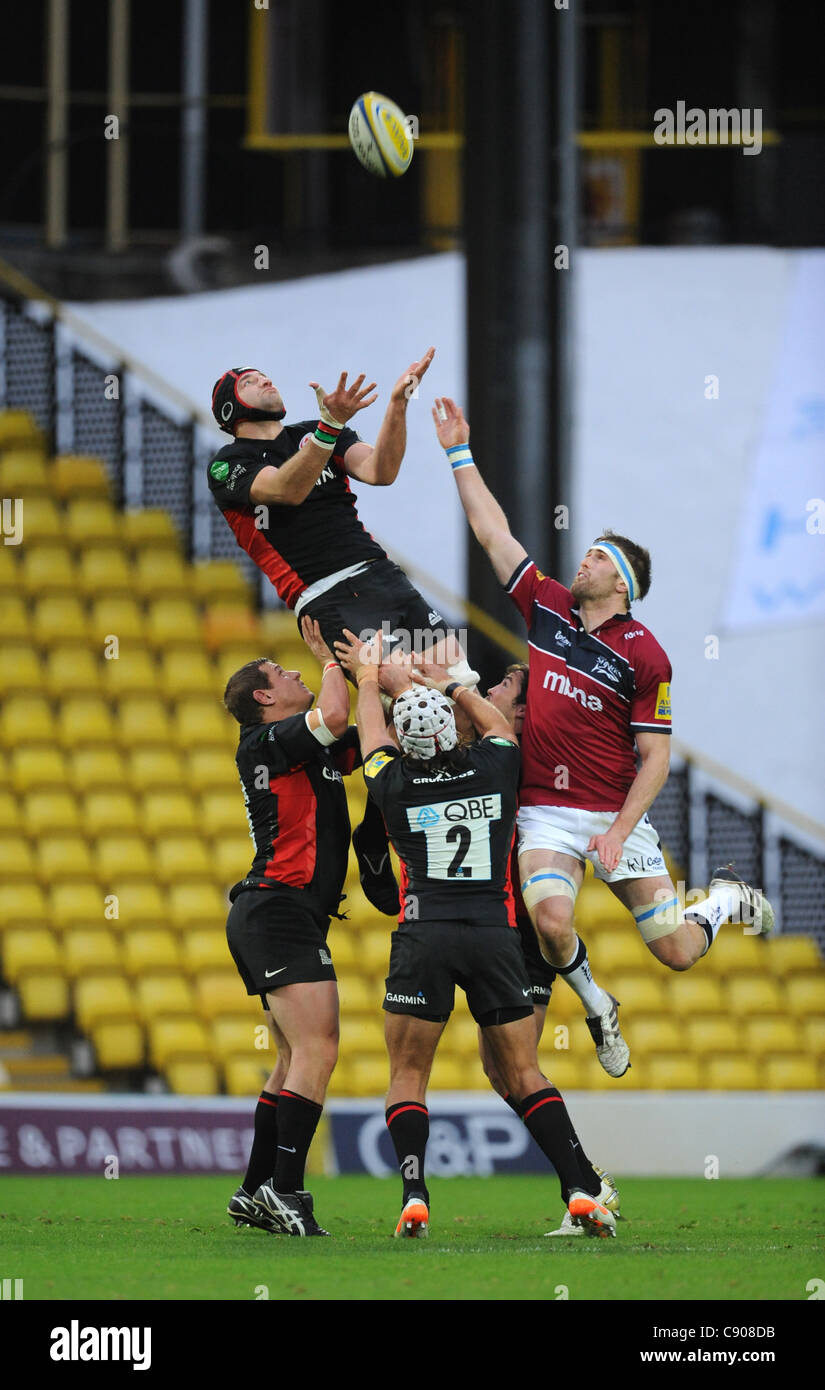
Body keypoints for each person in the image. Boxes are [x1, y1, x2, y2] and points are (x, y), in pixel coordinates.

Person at [433, 395, 774, 1079]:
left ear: (618, 581)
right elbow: (492, 533)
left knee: (676, 952)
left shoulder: (645, 656)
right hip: (545, 815)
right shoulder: (550, 607)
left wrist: (619, 831)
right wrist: (458, 453)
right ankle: (597, 1006)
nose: (578, 564)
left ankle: (724, 900)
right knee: (552, 923)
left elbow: (656, 757)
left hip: (610, 814)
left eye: (593, 559)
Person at [334, 629, 620, 1241]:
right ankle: (577, 1187)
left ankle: (414, 1194)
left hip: (424, 934)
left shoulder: (391, 785)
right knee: (524, 1073)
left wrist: (365, 679)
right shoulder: (498, 764)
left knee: (408, 1075)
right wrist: (453, 686)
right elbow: (497, 726)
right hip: (493, 935)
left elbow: (370, 738)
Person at [207, 355, 478, 912]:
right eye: (251, 379)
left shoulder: (315, 431)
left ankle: (389, 830)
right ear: (232, 409)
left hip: (384, 575)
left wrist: (397, 407)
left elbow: (380, 469)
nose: (266, 376)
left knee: (464, 707)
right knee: (408, 706)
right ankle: (382, 841)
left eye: (267, 371)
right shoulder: (228, 464)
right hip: (328, 595)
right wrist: (328, 428)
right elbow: (285, 490)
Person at [222, 617, 360, 1237]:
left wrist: (382, 678)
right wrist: (332, 659)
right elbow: (333, 716)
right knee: (317, 1049)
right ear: (263, 698)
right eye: (284, 673)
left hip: (282, 911)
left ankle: (255, 1190)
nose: (297, 672)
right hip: (277, 909)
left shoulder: (298, 746)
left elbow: (364, 740)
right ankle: (287, 1190)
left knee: (290, 1058)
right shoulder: (266, 741)